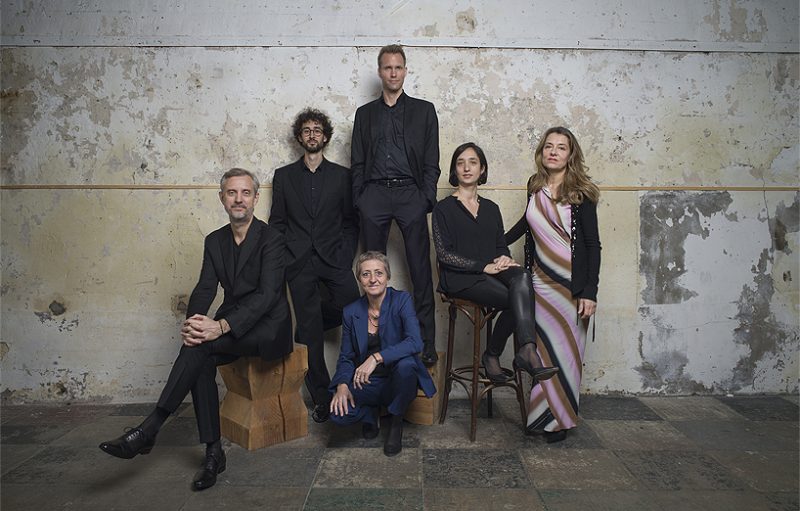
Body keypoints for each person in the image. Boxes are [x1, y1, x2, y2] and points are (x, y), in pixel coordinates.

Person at [99, 168, 292, 490]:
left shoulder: (272, 239)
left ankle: (152, 428)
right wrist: (194, 324)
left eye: (245, 193)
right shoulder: (214, 240)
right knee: (199, 350)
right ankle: (212, 452)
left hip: (268, 327)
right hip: (231, 324)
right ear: (222, 198)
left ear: (256, 198)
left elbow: (267, 295)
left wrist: (221, 326)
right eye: (232, 193)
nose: (239, 199)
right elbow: (204, 288)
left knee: (203, 347)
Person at [432, 142, 559, 386]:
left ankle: (526, 349)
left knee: (522, 277)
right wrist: (483, 266)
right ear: (454, 170)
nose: (466, 168)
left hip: (491, 273)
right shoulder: (443, 209)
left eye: (473, 162)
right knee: (518, 297)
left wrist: (504, 257)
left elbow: (500, 245)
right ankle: (496, 354)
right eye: (460, 163)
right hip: (460, 278)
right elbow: (444, 255)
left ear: (482, 169)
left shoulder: (491, 208)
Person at [506, 127, 601, 443]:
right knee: (543, 354)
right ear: (542, 152)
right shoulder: (534, 186)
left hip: (571, 287)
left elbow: (593, 245)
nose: (554, 152)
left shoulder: (582, 192)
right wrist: (494, 245)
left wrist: (590, 292)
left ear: (570, 155)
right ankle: (541, 417)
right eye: (549, 146)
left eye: (561, 147)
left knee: (567, 354)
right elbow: (526, 225)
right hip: (539, 283)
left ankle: (560, 421)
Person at [350, 44, 440, 365]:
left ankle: (426, 345)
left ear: (405, 71)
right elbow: (357, 161)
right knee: (372, 274)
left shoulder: (424, 111)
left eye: (398, 67)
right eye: (387, 67)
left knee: (420, 270)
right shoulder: (364, 114)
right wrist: (360, 199)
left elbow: (431, 161)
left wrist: (425, 198)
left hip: (409, 194)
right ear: (380, 72)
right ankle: (375, 345)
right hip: (373, 194)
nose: (393, 73)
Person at [269, 108, 360, 423]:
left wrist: (345, 256)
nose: (312, 134)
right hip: (298, 262)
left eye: (317, 130)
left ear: (325, 136)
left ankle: (355, 384)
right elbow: (277, 223)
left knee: (354, 311)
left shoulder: (342, 176)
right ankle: (322, 398)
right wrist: (284, 258)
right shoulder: (283, 177)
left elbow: (350, 223)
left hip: (334, 259)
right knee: (310, 334)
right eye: (306, 130)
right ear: (299, 137)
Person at [329, 251, 436, 456]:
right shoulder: (351, 312)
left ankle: (396, 421)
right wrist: (342, 385)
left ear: (388, 276)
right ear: (359, 279)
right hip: (367, 382)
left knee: (407, 365)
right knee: (337, 413)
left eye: (378, 273)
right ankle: (371, 412)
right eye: (366, 274)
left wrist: (376, 358)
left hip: (398, 379)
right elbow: (346, 356)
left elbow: (415, 342)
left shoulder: (401, 300)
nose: (373, 279)